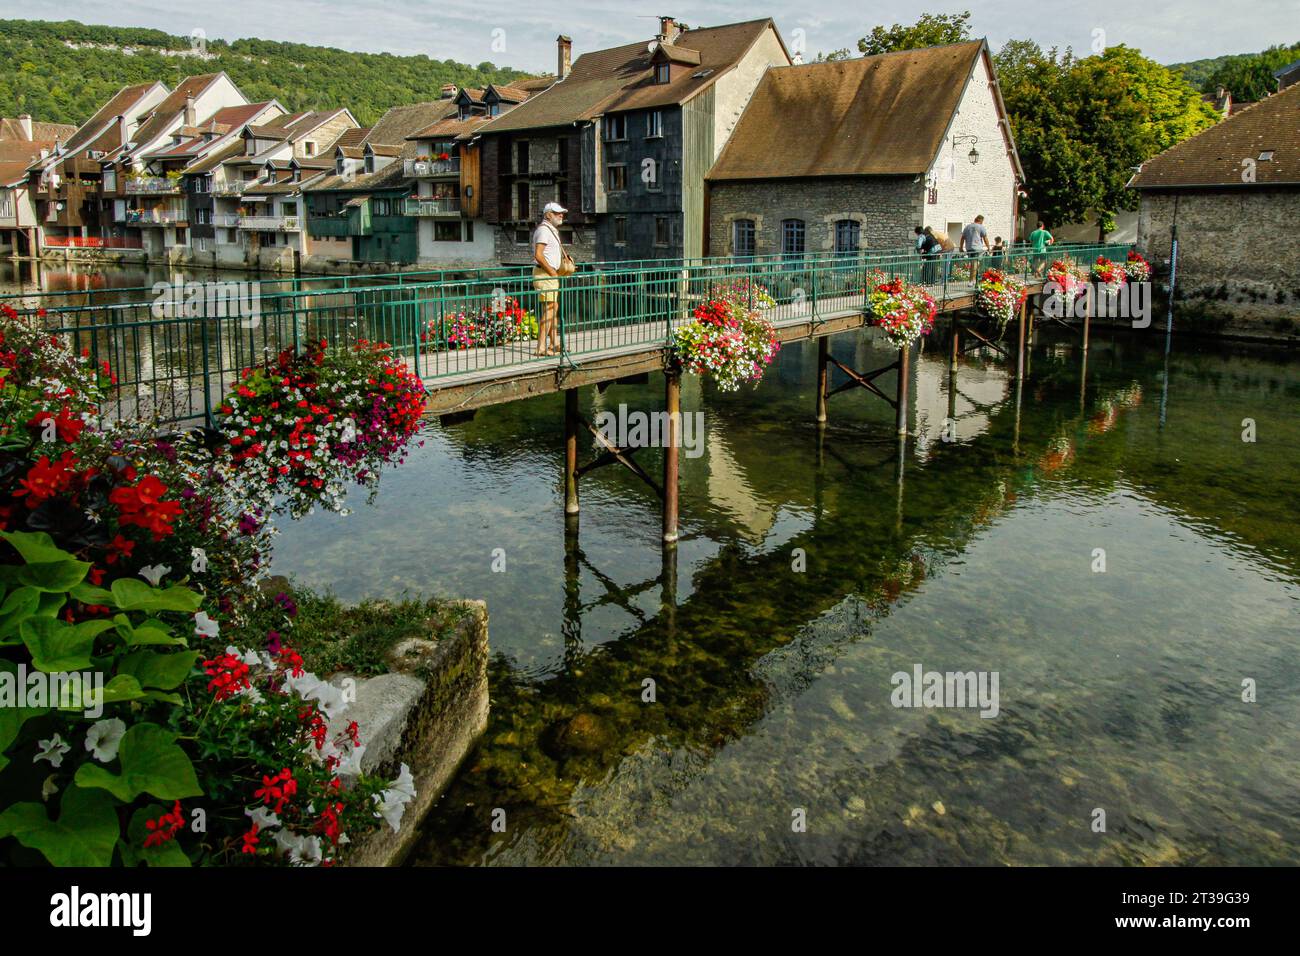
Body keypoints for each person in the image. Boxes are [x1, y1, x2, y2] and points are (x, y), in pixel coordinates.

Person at [532, 202, 567, 356]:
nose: (561, 215)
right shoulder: (543, 231)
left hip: (549, 275)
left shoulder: (551, 230)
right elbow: (538, 255)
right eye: (557, 212)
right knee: (550, 309)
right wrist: (551, 271)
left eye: (561, 213)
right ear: (548, 215)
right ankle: (540, 347)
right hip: (544, 274)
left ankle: (553, 343)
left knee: (554, 307)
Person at [960, 215, 990, 282]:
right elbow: (985, 238)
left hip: (969, 248)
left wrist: (961, 248)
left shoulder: (967, 227)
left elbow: (962, 238)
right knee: (975, 264)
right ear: (980, 220)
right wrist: (988, 247)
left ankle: (973, 279)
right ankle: (972, 280)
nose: (982, 223)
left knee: (973, 263)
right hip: (977, 248)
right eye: (982, 221)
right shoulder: (980, 227)